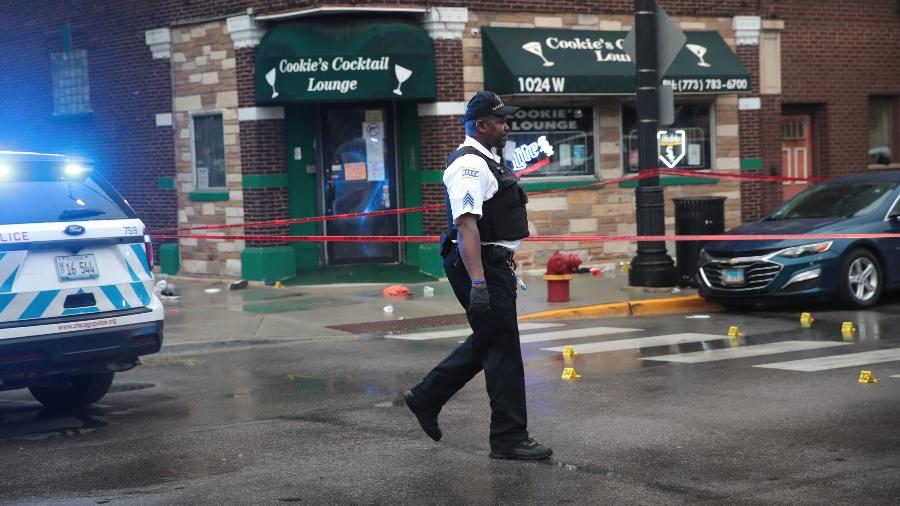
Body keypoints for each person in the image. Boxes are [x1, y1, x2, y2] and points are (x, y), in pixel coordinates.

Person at [403, 91, 552, 460]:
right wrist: (481, 283)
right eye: (500, 121)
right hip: (479, 264)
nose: (506, 126)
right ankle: (508, 439)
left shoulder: (487, 160)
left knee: (491, 340)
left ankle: (426, 397)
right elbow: (467, 226)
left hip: (490, 262)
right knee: (502, 351)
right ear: (481, 125)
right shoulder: (469, 166)